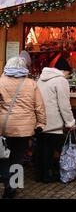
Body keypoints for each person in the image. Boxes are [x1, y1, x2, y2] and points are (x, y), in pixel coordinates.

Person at [0, 56, 46, 198]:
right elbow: (39, 106)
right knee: (18, 158)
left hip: (4, 126)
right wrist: (41, 123)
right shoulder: (31, 83)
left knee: (2, 157)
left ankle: (8, 182)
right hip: (24, 128)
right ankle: (13, 187)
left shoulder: (1, 82)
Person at [35, 55, 76, 183]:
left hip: (40, 120)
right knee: (49, 149)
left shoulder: (40, 79)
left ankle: (39, 175)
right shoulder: (61, 81)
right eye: (68, 74)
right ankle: (47, 176)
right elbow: (64, 105)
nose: (68, 77)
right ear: (64, 71)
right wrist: (70, 122)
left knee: (40, 147)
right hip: (53, 122)